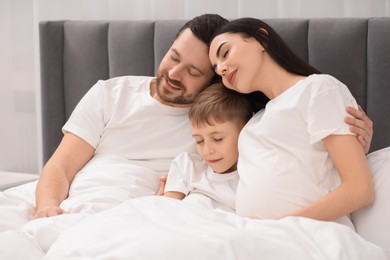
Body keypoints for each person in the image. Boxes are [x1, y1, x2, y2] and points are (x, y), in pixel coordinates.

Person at [208, 17, 374, 227]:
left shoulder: (318, 89)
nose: (221, 69)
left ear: (261, 39)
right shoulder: (252, 123)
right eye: (216, 69)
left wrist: (280, 227)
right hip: (254, 238)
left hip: (308, 235)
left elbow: (359, 189)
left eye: (225, 53)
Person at [163, 82, 253, 212]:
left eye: (217, 139)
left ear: (244, 133)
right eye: (199, 141)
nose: (207, 151)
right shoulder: (189, 165)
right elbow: (166, 208)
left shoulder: (250, 179)